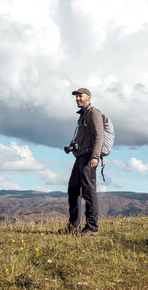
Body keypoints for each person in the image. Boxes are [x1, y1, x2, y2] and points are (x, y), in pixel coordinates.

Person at [60, 87, 104, 236]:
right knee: (73, 190)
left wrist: (95, 157)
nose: (78, 99)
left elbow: (99, 136)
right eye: (76, 97)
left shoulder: (94, 114)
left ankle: (92, 227)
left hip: (88, 157)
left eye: (81, 96)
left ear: (89, 98)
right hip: (80, 157)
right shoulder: (83, 115)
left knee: (88, 191)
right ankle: (73, 227)